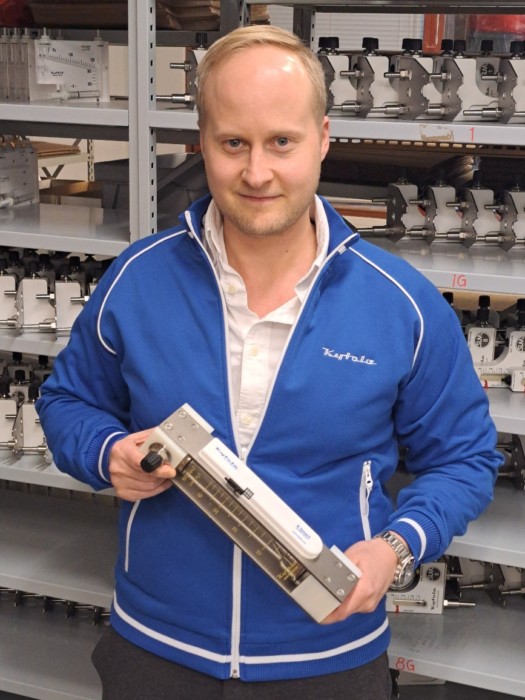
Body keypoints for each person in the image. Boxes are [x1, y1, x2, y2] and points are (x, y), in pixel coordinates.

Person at [36, 24, 502, 700]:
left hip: (328, 656)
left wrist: (395, 547)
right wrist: (104, 450)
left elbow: (464, 459)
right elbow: (66, 402)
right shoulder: (137, 279)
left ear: (322, 137)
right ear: (201, 145)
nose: (256, 172)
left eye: (281, 141)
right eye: (233, 144)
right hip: (156, 654)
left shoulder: (402, 306)